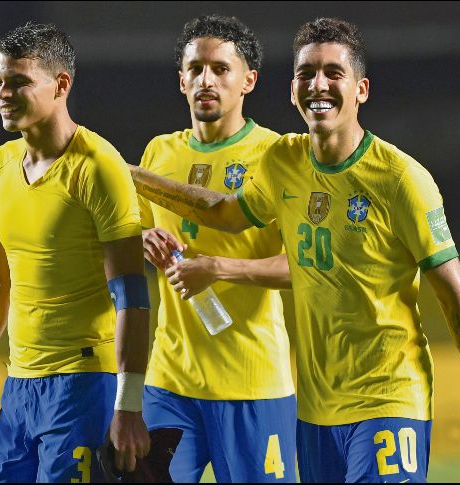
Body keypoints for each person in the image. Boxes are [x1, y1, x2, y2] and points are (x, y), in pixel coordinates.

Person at [129, 17, 460, 483]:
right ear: (292, 91)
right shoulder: (283, 162)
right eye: (306, 73)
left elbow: (455, 293)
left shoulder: (402, 179)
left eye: (334, 73)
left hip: (388, 397)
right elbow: (224, 211)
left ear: (361, 90)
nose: (319, 85)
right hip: (315, 409)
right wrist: (126, 172)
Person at [0, 22, 150, 482]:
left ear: (61, 84)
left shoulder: (98, 167)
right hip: (20, 385)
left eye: (19, 81)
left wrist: (128, 406)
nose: (3, 92)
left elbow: (132, 295)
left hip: (85, 384)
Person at [137, 15, 297, 483]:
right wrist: (140, 239)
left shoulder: (279, 155)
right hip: (169, 383)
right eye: (196, 68)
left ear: (248, 80)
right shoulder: (159, 154)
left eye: (221, 69)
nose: (206, 79)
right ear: (181, 80)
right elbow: (130, 240)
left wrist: (219, 268)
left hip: (253, 385)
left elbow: (304, 266)